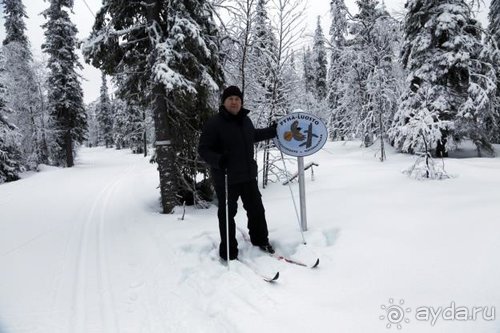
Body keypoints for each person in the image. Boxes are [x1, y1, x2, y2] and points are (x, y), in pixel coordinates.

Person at [198, 86, 277, 261]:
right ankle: (228, 250)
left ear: (241, 102)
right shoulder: (214, 123)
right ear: (224, 102)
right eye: (230, 99)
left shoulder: (246, 121)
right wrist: (218, 160)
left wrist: (272, 131)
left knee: (256, 209)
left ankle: (260, 240)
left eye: (237, 99)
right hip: (226, 178)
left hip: (248, 176)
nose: (234, 102)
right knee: (227, 214)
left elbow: (252, 136)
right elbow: (203, 149)